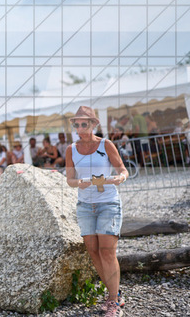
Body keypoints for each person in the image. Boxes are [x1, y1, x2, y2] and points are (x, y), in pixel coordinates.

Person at [65, 106, 128, 317]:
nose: (79, 127)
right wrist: (79, 183)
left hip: (108, 203)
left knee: (107, 251)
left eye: (84, 123)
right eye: (77, 124)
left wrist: (120, 177)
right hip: (85, 206)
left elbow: (122, 169)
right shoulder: (71, 149)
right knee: (93, 252)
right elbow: (69, 180)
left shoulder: (106, 144)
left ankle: (113, 301)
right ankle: (115, 293)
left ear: (93, 125)